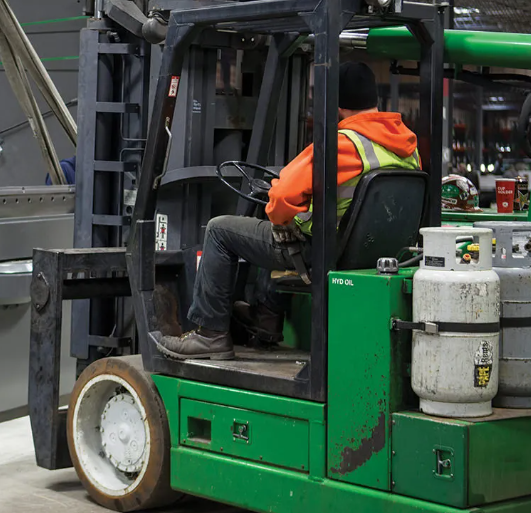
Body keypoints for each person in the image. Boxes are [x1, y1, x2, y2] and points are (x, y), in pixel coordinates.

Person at [153, 62, 421, 360]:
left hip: (324, 252)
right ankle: (264, 317)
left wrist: (281, 216)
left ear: (336, 102)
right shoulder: (407, 146)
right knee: (280, 229)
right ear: (374, 100)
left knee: (224, 229)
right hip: (378, 255)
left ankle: (210, 334)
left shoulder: (341, 144)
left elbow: (281, 194)